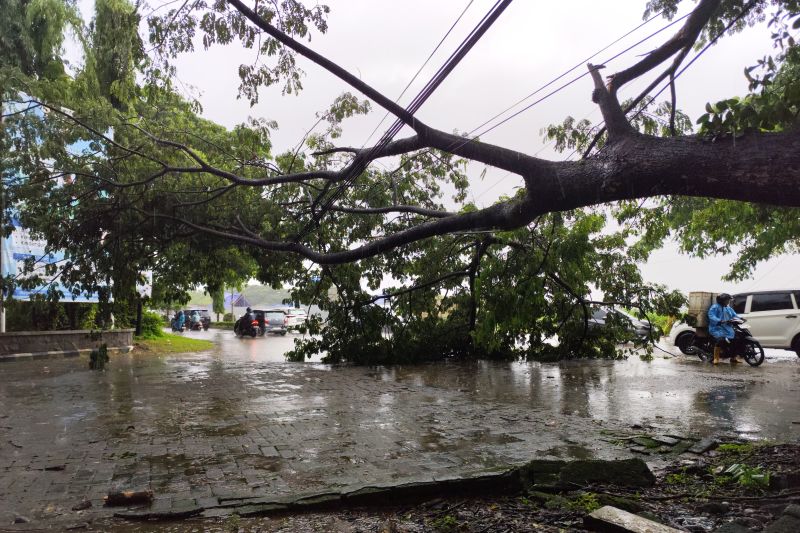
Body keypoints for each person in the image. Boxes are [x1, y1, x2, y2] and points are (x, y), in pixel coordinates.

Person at [708, 293, 741, 365]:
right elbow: (711, 315)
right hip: (716, 328)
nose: (728, 302)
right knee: (721, 340)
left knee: (735, 340)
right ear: (722, 300)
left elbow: (734, 315)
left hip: (727, 328)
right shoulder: (715, 307)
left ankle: (733, 358)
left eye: (728, 300)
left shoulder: (728, 308)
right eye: (727, 300)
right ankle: (716, 358)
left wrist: (740, 319)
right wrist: (719, 320)